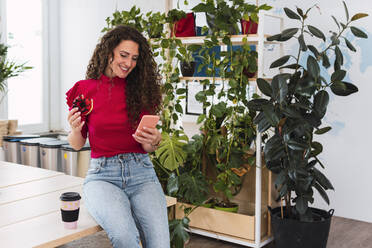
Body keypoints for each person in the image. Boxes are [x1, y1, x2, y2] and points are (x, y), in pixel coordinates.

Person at [65, 25, 169, 248]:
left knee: (160, 244)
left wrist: (154, 141)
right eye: (123, 55)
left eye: (134, 58)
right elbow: (77, 144)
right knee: (125, 237)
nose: (128, 63)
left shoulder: (142, 91)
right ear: (109, 51)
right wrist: (74, 130)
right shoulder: (85, 90)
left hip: (142, 173)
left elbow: (148, 147)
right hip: (103, 176)